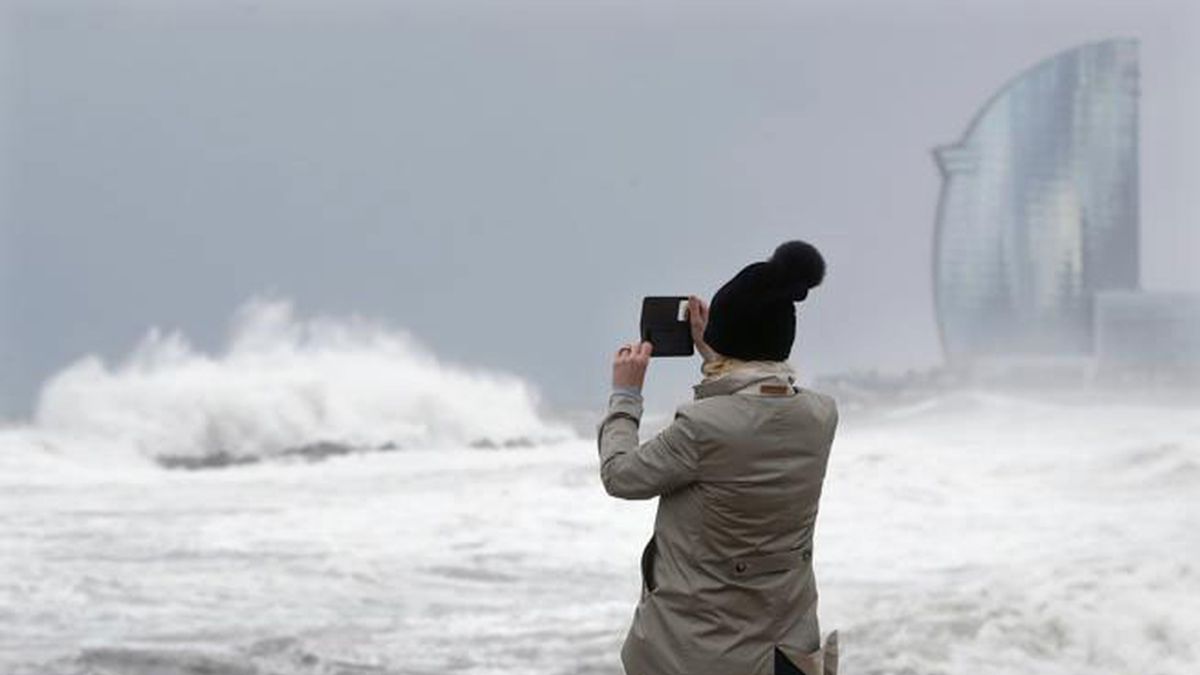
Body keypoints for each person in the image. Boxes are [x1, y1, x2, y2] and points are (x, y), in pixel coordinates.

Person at [597, 240, 840, 675]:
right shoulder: (820, 416)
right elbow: (757, 399)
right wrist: (718, 354)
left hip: (702, 654)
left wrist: (625, 396)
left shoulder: (702, 427)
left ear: (730, 341)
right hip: (788, 654)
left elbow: (621, 476)